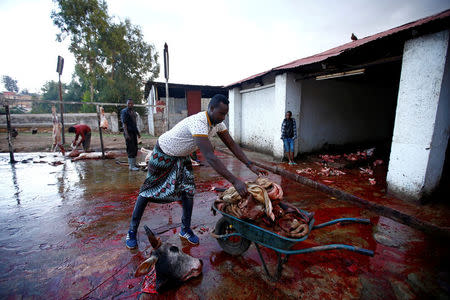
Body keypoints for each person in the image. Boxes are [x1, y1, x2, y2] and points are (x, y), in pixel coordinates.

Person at [126, 94, 267, 249]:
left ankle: (185, 230)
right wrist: (234, 180)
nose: (223, 117)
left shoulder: (217, 123)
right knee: (147, 192)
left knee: (188, 191)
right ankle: (131, 232)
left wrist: (249, 164)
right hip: (164, 152)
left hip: (181, 156)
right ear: (211, 108)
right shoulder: (199, 122)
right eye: (221, 113)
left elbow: (232, 144)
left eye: (225, 114)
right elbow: (210, 157)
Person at [120, 99, 141, 171]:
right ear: (127, 104)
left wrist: (138, 133)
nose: (130, 105)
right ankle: (131, 166)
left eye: (132, 103)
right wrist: (126, 134)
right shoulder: (124, 112)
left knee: (135, 148)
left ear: (133, 104)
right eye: (129, 103)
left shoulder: (133, 112)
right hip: (128, 133)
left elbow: (134, 124)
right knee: (130, 148)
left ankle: (134, 164)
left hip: (133, 132)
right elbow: (124, 124)